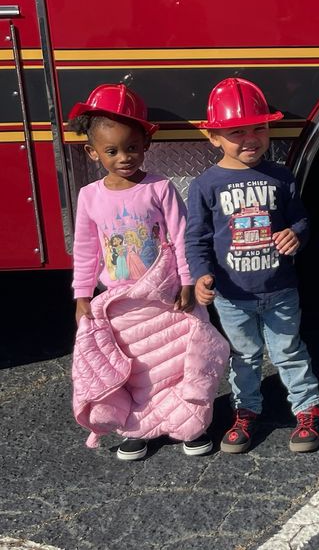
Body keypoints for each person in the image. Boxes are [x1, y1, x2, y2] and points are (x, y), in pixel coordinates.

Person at [69, 84, 225, 461]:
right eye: (112, 151)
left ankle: (189, 423)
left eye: (132, 148)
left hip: (164, 294)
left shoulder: (160, 187)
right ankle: (136, 428)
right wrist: (82, 294)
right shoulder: (90, 196)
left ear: (146, 146)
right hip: (121, 303)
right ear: (93, 153)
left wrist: (188, 282)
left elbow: (181, 236)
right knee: (135, 367)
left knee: (176, 361)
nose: (124, 157)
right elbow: (87, 250)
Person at [185, 77, 319, 454]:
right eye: (236, 132)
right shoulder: (204, 184)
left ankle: (308, 409)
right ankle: (246, 410)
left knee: (288, 351)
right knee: (243, 357)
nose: (251, 138)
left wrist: (296, 235)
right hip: (231, 295)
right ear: (213, 137)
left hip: (280, 288)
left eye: (259, 128)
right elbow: (195, 238)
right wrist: (200, 276)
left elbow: (302, 220)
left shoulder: (280, 176)